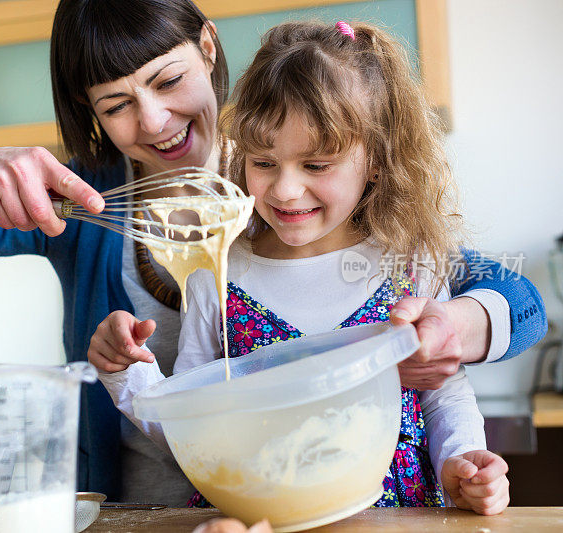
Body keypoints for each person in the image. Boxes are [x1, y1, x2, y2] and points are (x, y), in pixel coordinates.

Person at [0, 0, 543, 503]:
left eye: (167, 81)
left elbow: (517, 300)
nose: (156, 121)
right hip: (152, 512)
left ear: (206, 47)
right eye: (117, 104)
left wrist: (460, 327)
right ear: (92, 114)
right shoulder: (77, 204)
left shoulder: (328, 196)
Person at [90, 20, 511, 514]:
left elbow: (444, 394)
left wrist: (460, 461)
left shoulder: (409, 264)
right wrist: (128, 377)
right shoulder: (215, 277)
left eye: (316, 165)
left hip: (395, 519)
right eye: (264, 162)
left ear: (376, 160)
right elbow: (192, 428)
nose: (285, 190)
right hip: (255, 521)